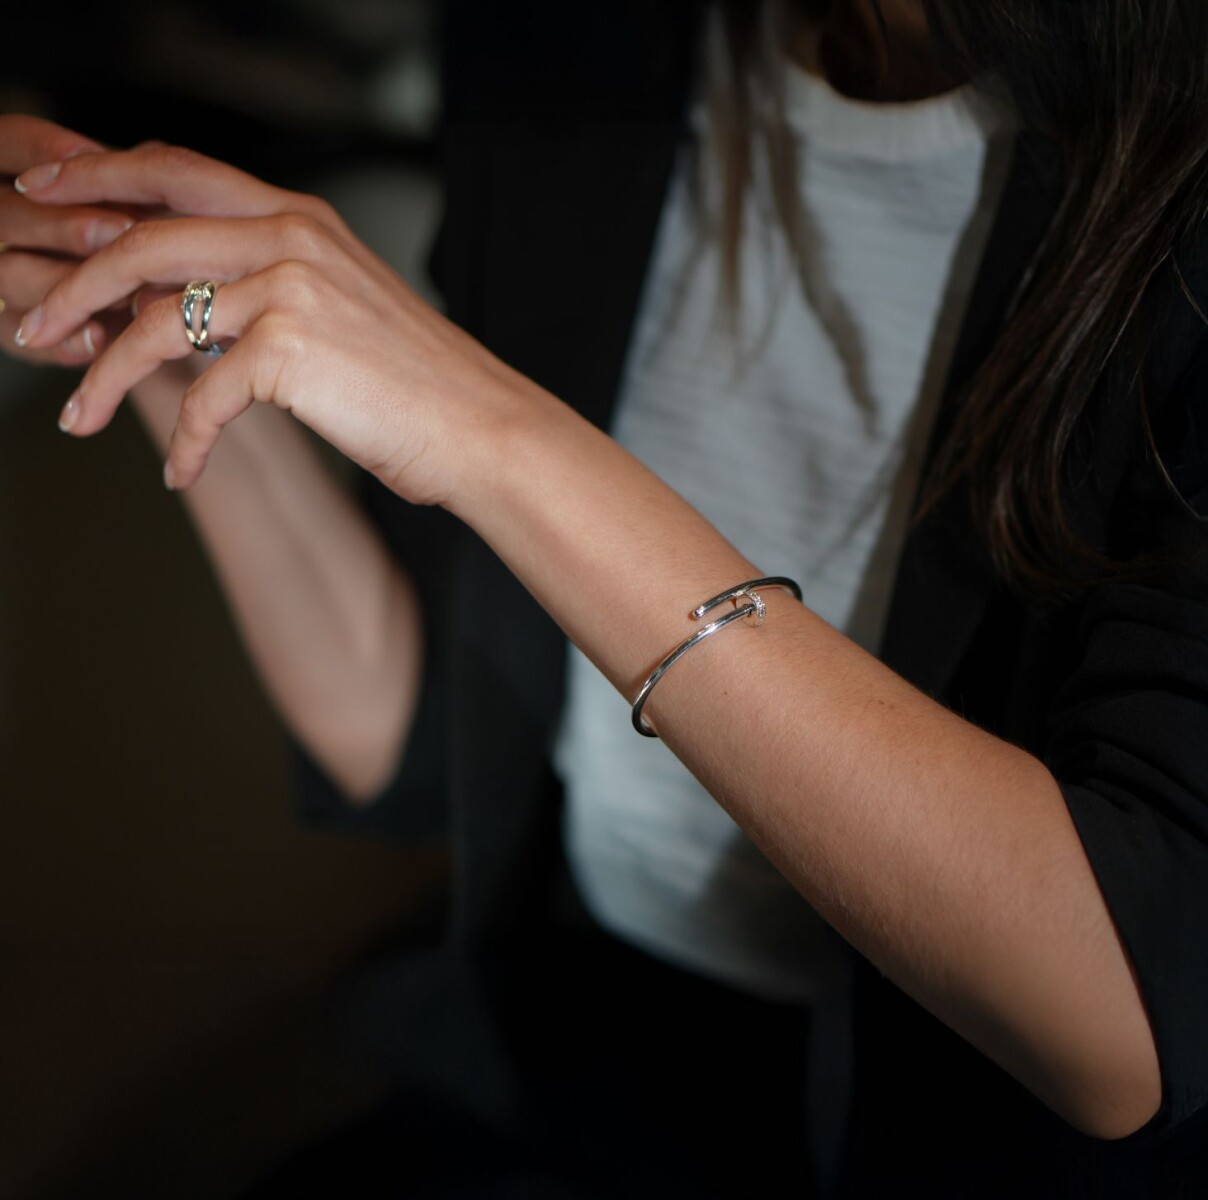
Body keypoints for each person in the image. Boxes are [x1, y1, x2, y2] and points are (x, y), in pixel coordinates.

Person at [3, 0, 1207, 1194]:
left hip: (950, 1140)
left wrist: (493, 432)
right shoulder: (566, 43)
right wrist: (156, 335)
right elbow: (410, 731)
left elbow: (1120, 1011)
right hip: (568, 1035)